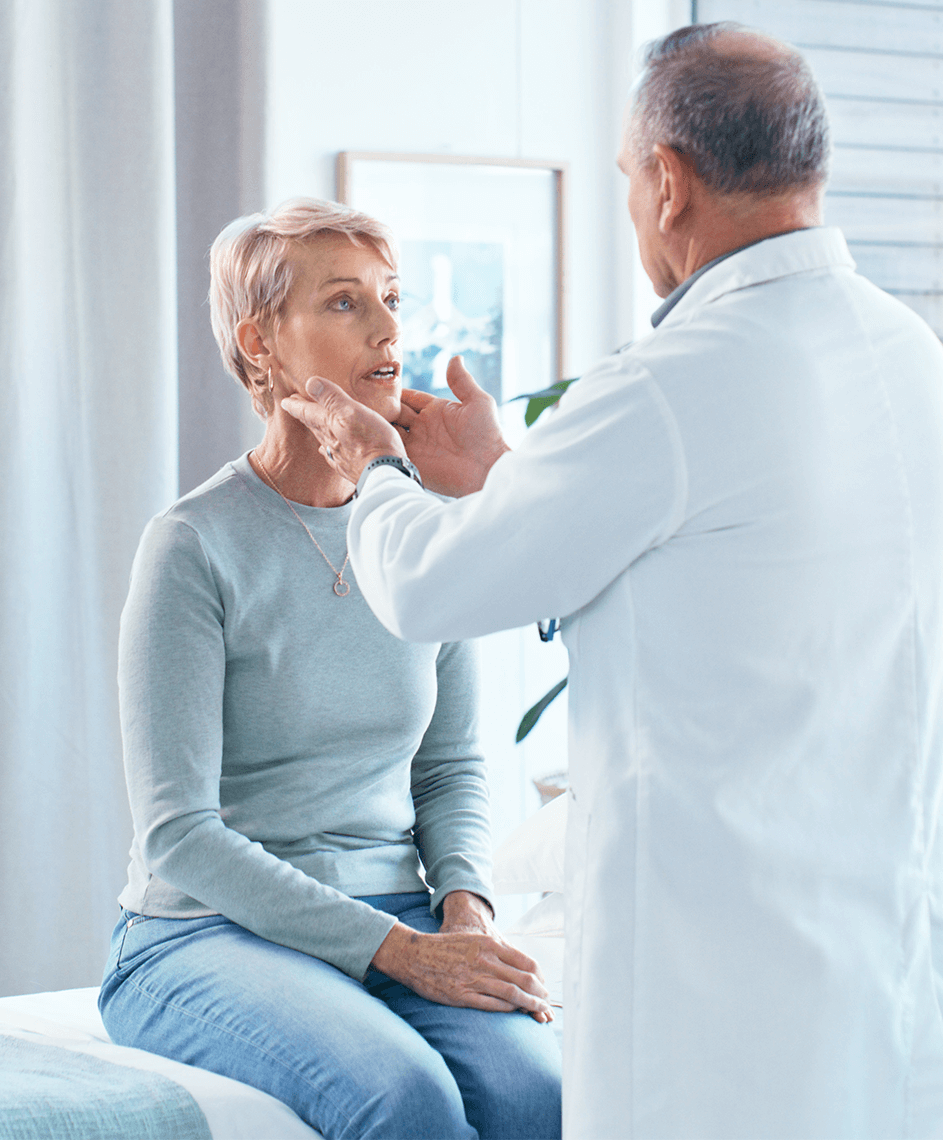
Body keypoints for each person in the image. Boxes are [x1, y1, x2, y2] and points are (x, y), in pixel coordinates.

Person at [283, 24, 943, 1140]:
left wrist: (377, 470)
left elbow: (432, 590)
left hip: (717, 1001)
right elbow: (722, 573)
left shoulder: (670, 387)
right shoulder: (908, 354)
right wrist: (508, 481)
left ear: (669, 182)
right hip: (878, 971)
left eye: (631, 181)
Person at [98, 198, 562, 1140]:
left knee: (537, 1094)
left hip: (400, 910)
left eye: (392, 299)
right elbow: (179, 835)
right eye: (347, 304)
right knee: (405, 1097)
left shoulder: (422, 530)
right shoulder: (192, 544)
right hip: (200, 933)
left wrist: (463, 911)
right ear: (260, 341)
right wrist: (398, 951)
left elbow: (449, 768)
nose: (391, 328)